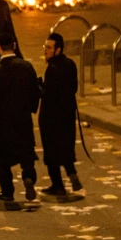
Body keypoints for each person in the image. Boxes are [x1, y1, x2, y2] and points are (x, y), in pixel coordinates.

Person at [0, 35, 40, 203]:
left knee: (2, 158)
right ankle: (28, 177)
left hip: (1, 123)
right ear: (14, 45)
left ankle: (7, 191)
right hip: (22, 119)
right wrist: (30, 108)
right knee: (25, 153)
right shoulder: (26, 67)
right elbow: (34, 92)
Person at [39, 33, 82, 196]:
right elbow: (74, 88)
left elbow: (49, 93)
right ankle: (71, 172)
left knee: (51, 151)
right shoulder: (70, 64)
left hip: (51, 116)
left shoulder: (53, 69)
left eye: (49, 48)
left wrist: (40, 89)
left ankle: (57, 185)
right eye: (45, 47)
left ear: (58, 49)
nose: (46, 51)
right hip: (67, 114)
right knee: (65, 146)